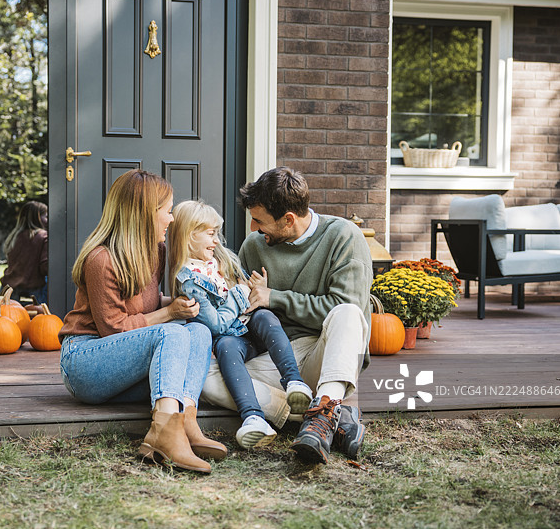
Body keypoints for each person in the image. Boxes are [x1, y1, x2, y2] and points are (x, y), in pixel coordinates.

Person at [200, 167, 372, 464]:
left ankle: (324, 406)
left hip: (323, 352)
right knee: (204, 373)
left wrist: (274, 298)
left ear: (288, 219)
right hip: (276, 358)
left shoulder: (343, 236)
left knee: (348, 313)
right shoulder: (254, 246)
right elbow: (247, 311)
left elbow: (342, 306)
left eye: (260, 221)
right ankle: (325, 417)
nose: (253, 228)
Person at [58, 169, 226, 474]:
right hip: (86, 364)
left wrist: (181, 306)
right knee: (172, 333)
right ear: (144, 214)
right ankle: (164, 432)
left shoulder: (156, 251)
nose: (172, 219)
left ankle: (184, 419)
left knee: (199, 331)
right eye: (167, 211)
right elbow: (115, 327)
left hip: (125, 368)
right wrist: (170, 314)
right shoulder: (102, 259)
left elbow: (145, 307)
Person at [168, 200, 313, 449]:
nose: (216, 241)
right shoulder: (189, 280)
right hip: (232, 337)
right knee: (225, 345)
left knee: (266, 317)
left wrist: (257, 288)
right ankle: (253, 418)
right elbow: (217, 325)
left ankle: (294, 383)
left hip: (254, 327)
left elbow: (245, 285)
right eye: (211, 235)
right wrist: (240, 294)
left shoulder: (219, 258)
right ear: (190, 236)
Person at [0, 201, 48, 305]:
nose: (48, 220)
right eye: (46, 216)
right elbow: (45, 267)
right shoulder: (43, 236)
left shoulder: (14, 236)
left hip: (9, 290)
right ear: (38, 217)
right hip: (33, 292)